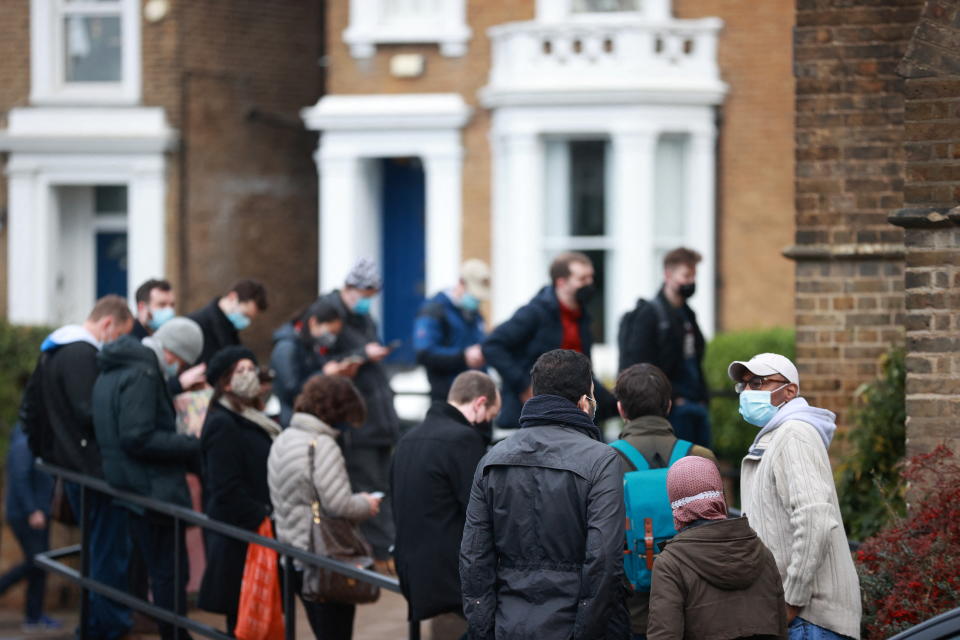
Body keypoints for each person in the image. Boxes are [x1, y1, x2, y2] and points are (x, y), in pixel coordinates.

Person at [460, 349, 629, 639]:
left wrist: (484, 630)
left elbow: (474, 558)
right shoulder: (602, 460)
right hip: (576, 624)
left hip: (507, 624)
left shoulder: (493, 459)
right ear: (583, 402)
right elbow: (604, 561)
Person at [20, 295, 134, 640]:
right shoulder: (83, 355)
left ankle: (97, 626)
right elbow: (91, 413)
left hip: (72, 469)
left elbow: (31, 414)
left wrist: (52, 457)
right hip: (94, 472)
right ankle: (107, 627)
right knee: (107, 556)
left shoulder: (52, 351)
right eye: (118, 337)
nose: (115, 346)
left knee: (96, 555)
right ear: (108, 325)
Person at [729, 353, 861, 640]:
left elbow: (814, 518)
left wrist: (791, 600)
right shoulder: (778, 437)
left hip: (810, 619)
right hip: (799, 618)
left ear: (789, 391)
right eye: (744, 385)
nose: (748, 392)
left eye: (758, 382)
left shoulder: (794, 434)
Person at [93, 317, 204, 640]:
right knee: (170, 572)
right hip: (152, 488)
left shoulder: (117, 367)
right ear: (172, 353)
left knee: (160, 570)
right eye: (182, 362)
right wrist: (190, 442)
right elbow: (137, 436)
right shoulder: (143, 372)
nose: (179, 369)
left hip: (130, 484)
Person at [267, 374, 382, 640]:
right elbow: (339, 504)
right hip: (323, 558)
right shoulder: (323, 445)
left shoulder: (284, 438)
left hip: (292, 554)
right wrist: (366, 503)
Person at [612, 363, 717, 639]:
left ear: (621, 409)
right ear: (669, 405)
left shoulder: (605, 461)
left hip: (630, 611)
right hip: (694, 608)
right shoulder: (700, 457)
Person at [391, 371, 500, 639]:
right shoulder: (463, 439)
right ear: (479, 404)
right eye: (491, 416)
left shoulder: (408, 439)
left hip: (417, 574)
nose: (489, 424)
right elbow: (480, 510)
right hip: (455, 581)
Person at [315, 258, 399, 568]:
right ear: (351, 288)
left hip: (379, 417)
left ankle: (386, 548)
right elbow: (325, 362)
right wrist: (362, 355)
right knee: (366, 485)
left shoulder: (365, 320)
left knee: (384, 485)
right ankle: (377, 553)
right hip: (357, 422)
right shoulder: (329, 317)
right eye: (365, 294)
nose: (368, 301)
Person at [646, 456, 787, 640]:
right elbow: (781, 628)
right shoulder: (761, 552)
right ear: (720, 494)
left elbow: (664, 635)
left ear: (675, 502)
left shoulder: (671, 564)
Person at [197, 346, 280, 634]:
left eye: (251, 369)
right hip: (240, 532)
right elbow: (224, 486)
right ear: (225, 382)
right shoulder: (223, 423)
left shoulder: (252, 416)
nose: (249, 375)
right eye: (239, 371)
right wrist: (261, 515)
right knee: (240, 614)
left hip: (256, 527)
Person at [482, 251, 615, 429]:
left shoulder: (582, 317)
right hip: (529, 415)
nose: (589, 284)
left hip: (570, 414)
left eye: (591, 277)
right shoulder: (534, 313)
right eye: (582, 279)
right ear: (561, 282)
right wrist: (524, 385)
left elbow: (585, 370)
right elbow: (493, 346)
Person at [617, 248, 709, 447]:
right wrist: (672, 398)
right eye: (686, 275)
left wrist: (702, 397)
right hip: (673, 411)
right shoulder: (649, 315)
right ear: (668, 275)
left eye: (694, 276)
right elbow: (641, 365)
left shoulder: (688, 314)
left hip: (696, 406)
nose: (691, 282)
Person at [0, 424, 59, 631]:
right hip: (28, 515)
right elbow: (20, 476)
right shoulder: (24, 442)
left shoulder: (31, 439)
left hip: (36, 512)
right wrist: (32, 509)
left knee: (39, 565)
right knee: (37, 562)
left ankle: (34, 617)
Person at [270, 297, 357, 426]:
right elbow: (291, 389)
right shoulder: (287, 347)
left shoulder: (310, 345)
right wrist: (324, 373)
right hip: (293, 422)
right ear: (314, 322)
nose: (331, 338)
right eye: (330, 332)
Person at [413, 259, 490, 402]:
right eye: (474, 296)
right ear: (461, 283)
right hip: (448, 397)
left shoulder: (473, 313)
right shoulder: (434, 310)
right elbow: (424, 353)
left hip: (476, 394)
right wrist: (463, 357)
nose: (476, 301)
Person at [188, 279, 268, 365]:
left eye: (250, 318)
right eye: (245, 315)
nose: (246, 321)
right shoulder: (195, 324)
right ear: (232, 297)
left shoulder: (230, 329)